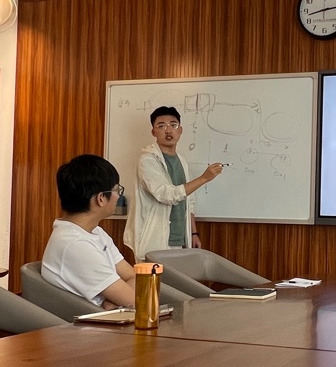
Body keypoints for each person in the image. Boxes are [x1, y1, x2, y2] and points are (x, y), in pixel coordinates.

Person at [123, 106, 224, 261]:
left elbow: (189, 201)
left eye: (173, 125)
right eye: (161, 126)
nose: (168, 130)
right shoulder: (148, 160)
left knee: (178, 278)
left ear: (180, 130)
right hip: (155, 239)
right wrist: (204, 178)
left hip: (180, 239)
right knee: (153, 277)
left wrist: (193, 233)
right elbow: (167, 195)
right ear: (153, 132)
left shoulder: (181, 161)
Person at [42, 155, 138, 309]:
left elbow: (132, 276)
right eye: (116, 190)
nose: (118, 196)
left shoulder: (96, 232)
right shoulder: (75, 244)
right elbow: (134, 300)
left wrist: (110, 301)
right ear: (101, 198)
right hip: (92, 322)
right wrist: (120, 299)